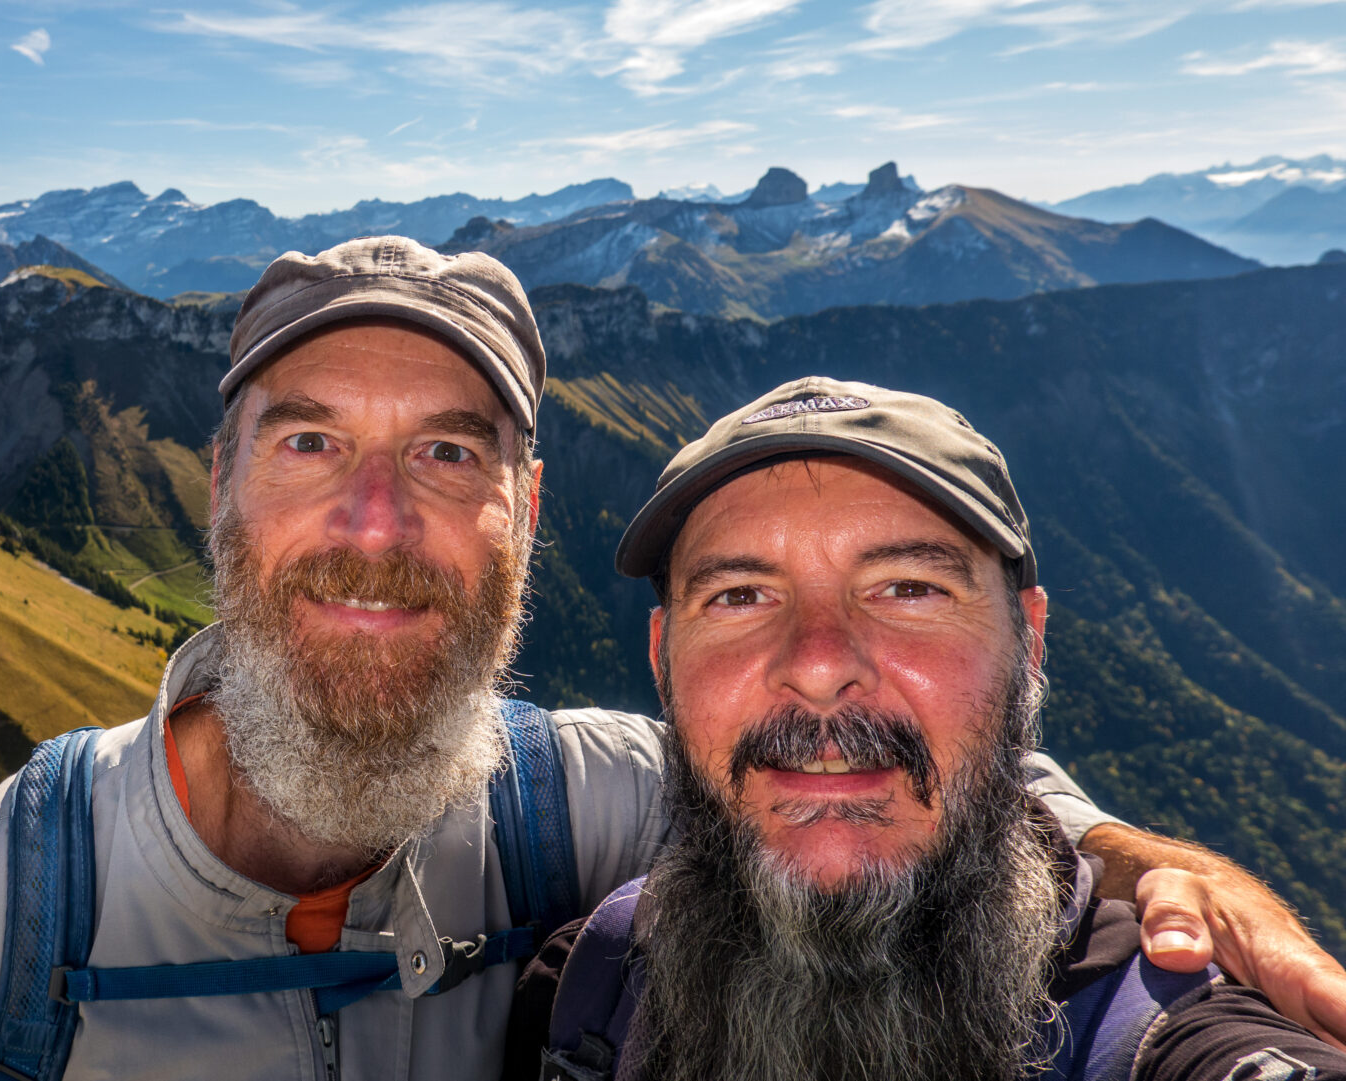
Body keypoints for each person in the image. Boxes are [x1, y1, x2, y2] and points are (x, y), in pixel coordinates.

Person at [0, 241, 1344, 1081]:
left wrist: (1179, 877)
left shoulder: (592, 800)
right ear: (211, 487)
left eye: (446, 450)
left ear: (524, 511)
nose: (377, 524)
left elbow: (914, 779)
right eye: (309, 444)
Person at [508, 377, 1346, 1081]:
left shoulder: (1167, 1027)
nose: (820, 662)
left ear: (1030, 645)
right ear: (662, 658)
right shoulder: (585, 989)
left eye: (907, 588)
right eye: (739, 596)